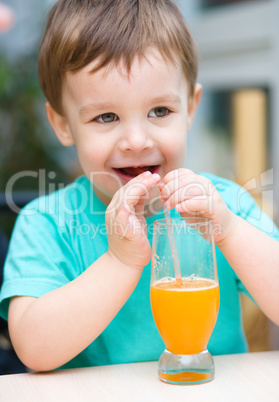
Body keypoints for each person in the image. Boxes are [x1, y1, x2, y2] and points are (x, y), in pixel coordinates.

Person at [0, 0, 278, 372]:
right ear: (63, 124)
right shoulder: (46, 223)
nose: (136, 140)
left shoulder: (225, 206)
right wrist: (120, 261)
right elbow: (34, 349)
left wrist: (228, 231)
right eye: (106, 116)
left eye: (159, 111)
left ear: (191, 108)